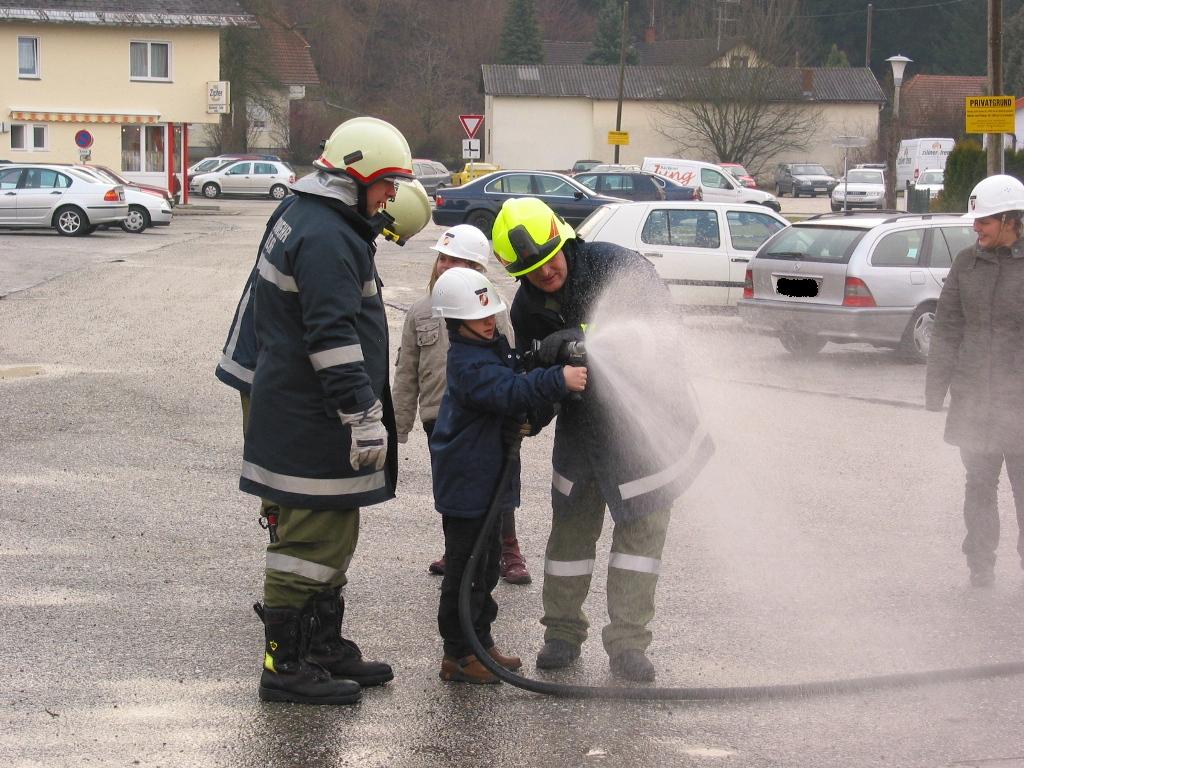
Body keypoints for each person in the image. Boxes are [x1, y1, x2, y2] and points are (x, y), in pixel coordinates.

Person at [229, 116, 419, 705]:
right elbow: (332, 336)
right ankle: (285, 664)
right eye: (388, 184)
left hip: (303, 409)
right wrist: (362, 412)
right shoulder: (329, 236)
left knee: (332, 529)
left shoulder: (312, 217)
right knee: (308, 539)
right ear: (359, 175)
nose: (392, 198)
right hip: (311, 416)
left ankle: (320, 644)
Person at [490, 197, 714, 682]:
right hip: (583, 433)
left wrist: (579, 338)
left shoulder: (618, 267)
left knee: (639, 540)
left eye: (549, 259)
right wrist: (532, 411)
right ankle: (562, 634)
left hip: (646, 431)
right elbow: (537, 373)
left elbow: (665, 337)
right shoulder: (528, 307)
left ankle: (629, 645)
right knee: (568, 537)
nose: (544, 273)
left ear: (563, 238)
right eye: (530, 269)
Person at [427, 267, 587, 684]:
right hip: (468, 484)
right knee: (466, 570)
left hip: (488, 480)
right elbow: (509, 390)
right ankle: (459, 655)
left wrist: (545, 354)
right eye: (478, 318)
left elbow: (516, 368)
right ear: (456, 322)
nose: (488, 321)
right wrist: (559, 379)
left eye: (491, 315)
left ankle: (481, 641)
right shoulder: (468, 363)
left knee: (487, 568)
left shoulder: (490, 347)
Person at [392, 224, 533, 585]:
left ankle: (508, 549)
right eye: (443, 258)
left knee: (498, 483)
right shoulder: (421, 312)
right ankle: (457, 549)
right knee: (453, 487)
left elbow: (510, 364)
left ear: (478, 270)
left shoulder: (493, 309)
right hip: (438, 417)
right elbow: (407, 372)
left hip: (486, 415)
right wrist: (399, 426)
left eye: (459, 261)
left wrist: (517, 412)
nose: (447, 265)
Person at [925, 174, 1024, 588]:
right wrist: (936, 387)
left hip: (1025, 404)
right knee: (979, 485)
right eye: (975, 221)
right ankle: (980, 564)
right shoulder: (966, 263)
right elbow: (947, 327)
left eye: (984, 221)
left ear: (1010, 220)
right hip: (974, 402)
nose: (976, 228)